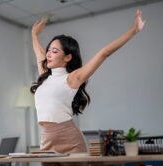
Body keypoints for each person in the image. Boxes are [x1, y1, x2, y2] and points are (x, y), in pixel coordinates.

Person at [30, 10, 146, 166]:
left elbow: (104, 53)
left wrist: (134, 31)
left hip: (68, 138)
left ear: (68, 57)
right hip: (46, 139)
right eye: (49, 50)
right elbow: (39, 54)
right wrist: (34, 35)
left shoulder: (71, 78)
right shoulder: (45, 76)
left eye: (55, 51)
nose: (48, 54)